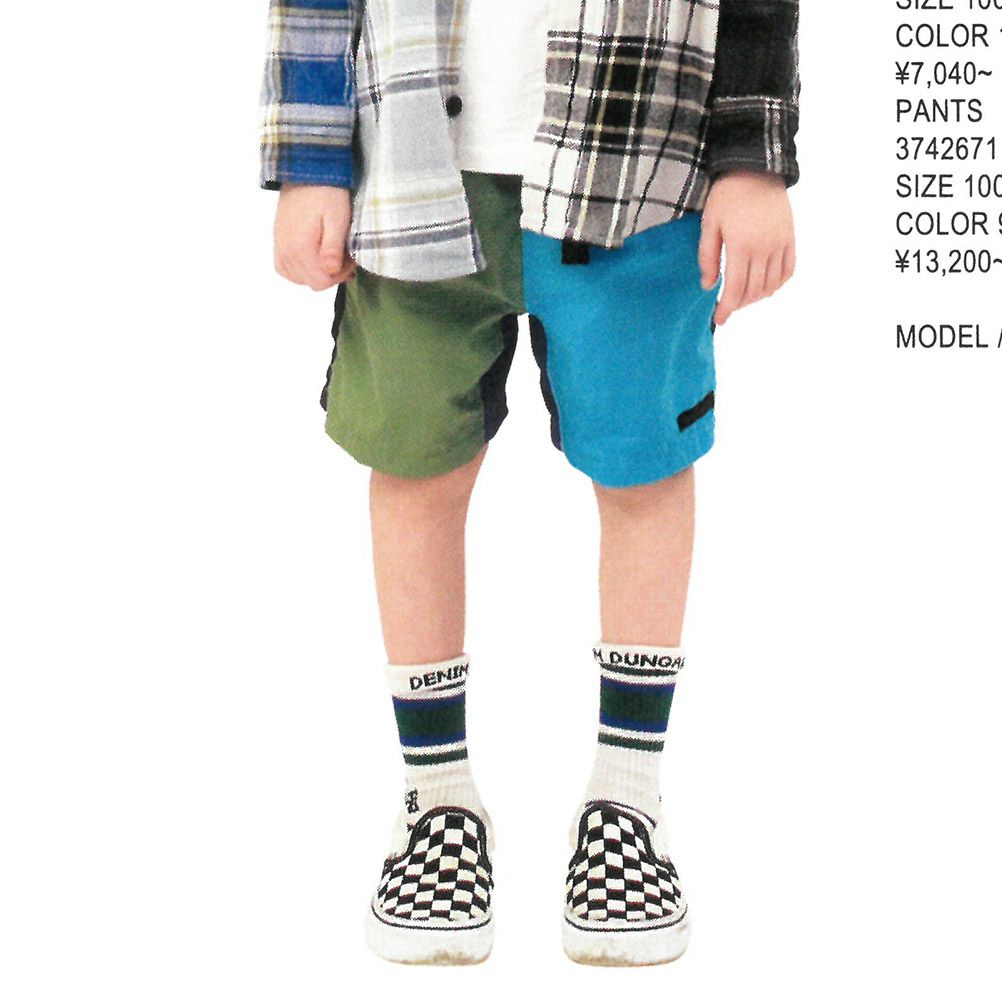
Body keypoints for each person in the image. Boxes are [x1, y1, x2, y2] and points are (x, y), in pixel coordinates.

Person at [260, 0, 799, 967]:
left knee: (642, 465)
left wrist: (753, 158)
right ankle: (436, 794)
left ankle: (627, 793)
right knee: (415, 463)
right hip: (412, 156)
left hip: (640, 153)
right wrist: (309, 157)